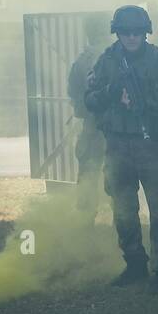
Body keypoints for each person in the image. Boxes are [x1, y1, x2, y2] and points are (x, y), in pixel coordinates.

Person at [84, 5, 158, 291]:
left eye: (137, 32)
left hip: (151, 144)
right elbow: (89, 101)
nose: (131, 38)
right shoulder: (106, 62)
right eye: (125, 32)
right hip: (117, 145)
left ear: (145, 33)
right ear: (117, 33)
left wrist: (144, 105)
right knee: (123, 210)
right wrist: (111, 93)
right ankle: (135, 263)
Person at [68, 14, 109, 210]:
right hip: (111, 129)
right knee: (117, 178)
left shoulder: (82, 60)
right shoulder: (112, 57)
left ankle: (85, 223)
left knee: (88, 176)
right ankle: (120, 228)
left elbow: (73, 93)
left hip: (91, 127)